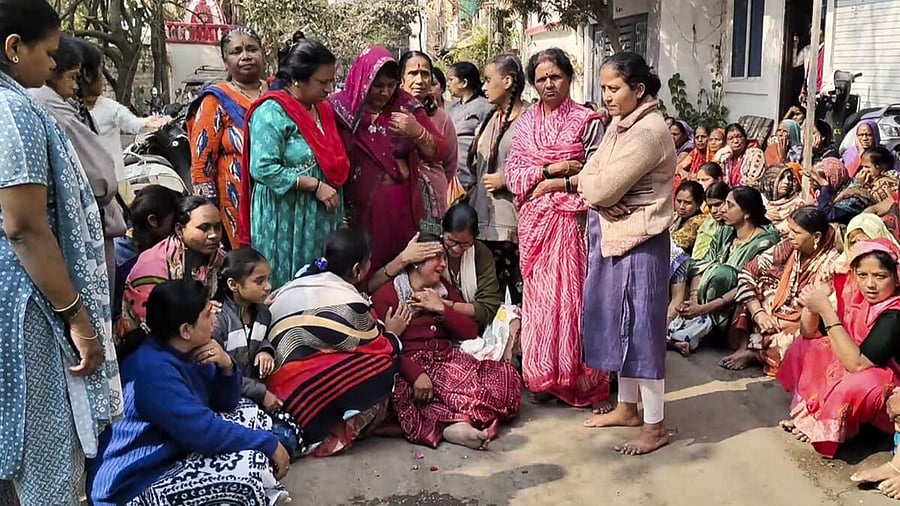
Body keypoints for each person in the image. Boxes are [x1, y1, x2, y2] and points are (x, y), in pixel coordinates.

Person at [0, 2, 122, 502]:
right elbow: (26, 227)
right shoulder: (14, 113)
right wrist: (77, 318)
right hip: (29, 304)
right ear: (13, 48)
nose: (53, 66)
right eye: (49, 54)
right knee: (46, 455)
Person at [87, 280, 291, 505]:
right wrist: (268, 444)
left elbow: (227, 402)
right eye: (207, 314)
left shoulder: (189, 350)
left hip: (170, 451)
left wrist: (227, 365)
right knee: (246, 472)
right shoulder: (153, 372)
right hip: (130, 484)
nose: (214, 318)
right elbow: (204, 433)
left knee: (252, 413)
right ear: (186, 330)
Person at [577, 52, 674, 455]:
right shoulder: (620, 125)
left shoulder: (649, 132)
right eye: (603, 88)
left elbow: (597, 187)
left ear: (638, 90)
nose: (607, 96)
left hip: (642, 242)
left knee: (642, 334)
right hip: (615, 236)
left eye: (613, 88)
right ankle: (627, 407)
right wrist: (598, 197)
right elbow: (588, 176)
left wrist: (598, 194)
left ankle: (655, 428)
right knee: (620, 324)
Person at [505, 47, 609, 408]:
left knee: (574, 299)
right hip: (536, 227)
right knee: (540, 301)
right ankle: (542, 376)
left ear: (569, 78)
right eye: (541, 78)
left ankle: (577, 376)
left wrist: (560, 182)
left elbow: (596, 173)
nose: (549, 84)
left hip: (573, 222)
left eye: (556, 77)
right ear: (532, 83)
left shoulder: (587, 120)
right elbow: (514, 176)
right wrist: (551, 170)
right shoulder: (525, 124)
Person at [372, 235, 522, 449]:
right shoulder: (388, 295)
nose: (443, 264)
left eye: (444, 257)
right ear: (416, 262)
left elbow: (470, 332)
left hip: (447, 358)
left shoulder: (442, 290)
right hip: (410, 365)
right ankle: (456, 426)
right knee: (459, 396)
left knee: (507, 380)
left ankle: (456, 424)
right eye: (437, 258)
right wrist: (415, 373)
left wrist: (443, 309)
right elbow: (380, 345)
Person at [266, 229, 403, 456]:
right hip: (294, 401)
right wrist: (393, 333)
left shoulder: (298, 279)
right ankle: (323, 431)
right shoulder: (352, 304)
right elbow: (381, 347)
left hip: (269, 389)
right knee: (386, 365)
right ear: (358, 270)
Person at [240, 34, 349, 289]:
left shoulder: (322, 109)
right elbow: (263, 168)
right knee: (289, 284)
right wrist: (313, 185)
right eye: (322, 82)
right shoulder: (271, 112)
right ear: (298, 80)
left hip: (320, 216)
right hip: (286, 216)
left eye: (331, 81)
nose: (329, 89)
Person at [776, 238, 900, 459]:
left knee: (861, 382)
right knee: (808, 348)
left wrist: (825, 310)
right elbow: (809, 333)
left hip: (890, 384)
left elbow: (858, 364)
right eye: (862, 275)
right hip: (862, 363)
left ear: (896, 277)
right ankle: (815, 416)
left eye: (880, 276)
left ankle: (845, 429)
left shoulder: (894, 313)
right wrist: (813, 303)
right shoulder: (856, 298)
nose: (870, 284)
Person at [328, 46, 447, 276]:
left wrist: (417, 131)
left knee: (404, 269)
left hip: (401, 208)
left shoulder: (406, 107)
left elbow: (440, 151)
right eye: (377, 86)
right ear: (363, 81)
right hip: (359, 212)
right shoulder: (340, 108)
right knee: (364, 270)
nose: (384, 93)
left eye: (390, 86)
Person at [30, 36, 126, 295]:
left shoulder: (35, 102)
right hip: (77, 229)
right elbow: (100, 179)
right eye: (73, 76)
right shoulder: (49, 106)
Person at [731, 207, 840, 375]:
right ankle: (748, 347)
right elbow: (749, 270)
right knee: (751, 290)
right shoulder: (788, 247)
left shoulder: (831, 263)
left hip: (802, 320)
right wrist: (759, 313)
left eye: (796, 232)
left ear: (816, 237)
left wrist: (782, 322)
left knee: (796, 344)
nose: (790, 236)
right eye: (790, 231)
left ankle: (757, 354)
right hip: (777, 309)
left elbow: (820, 307)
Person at [677, 187, 779, 363]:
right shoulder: (725, 231)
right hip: (707, 299)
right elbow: (701, 265)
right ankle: (697, 324)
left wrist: (702, 309)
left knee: (723, 273)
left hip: (738, 304)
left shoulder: (765, 242)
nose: (722, 209)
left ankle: (711, 330)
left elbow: (747, 285)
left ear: (746, 213)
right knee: (684, 264)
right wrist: (694, 300)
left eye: (729, 205)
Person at [188, 26, 268, 249]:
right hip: (236, 202)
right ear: (225, 61)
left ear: (263, 53)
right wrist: (209, 212)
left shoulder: (280, 92)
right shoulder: (216, 100)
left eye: (252, 49)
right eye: (236, 51)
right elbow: (201, 164)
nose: (245, 56)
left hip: (279, 200)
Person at [118, 196, 226, 355]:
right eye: (204, 228)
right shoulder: (154, 265)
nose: (214, 235)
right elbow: (154, 324)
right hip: (149, 348)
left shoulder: (218, 259)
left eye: (217, 227)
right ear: (179, 230)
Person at [469, 53, 527, 306]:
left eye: (487, 79)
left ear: (507, 81)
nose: (483, 86)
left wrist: (507, 178)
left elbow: (539, 164)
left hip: (512, 226)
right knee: (488, 298)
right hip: (483, 223)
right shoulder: (490, 118)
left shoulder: (530, 119)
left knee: (519, 299)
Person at [213, 247, 278, 411]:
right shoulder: (218, 320)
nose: (268, 286)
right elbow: (217, 374)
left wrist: (265, 350)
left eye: (267, 279)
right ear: (234, 285)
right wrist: (261, 393)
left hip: (253, 396)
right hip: (225, 399)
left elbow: (259, 338)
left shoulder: (263, 314)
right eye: (259, 281)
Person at [399, 51, 457, 220]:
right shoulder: (391, 115)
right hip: (397, 201)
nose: (419, 80)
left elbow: (449, 165)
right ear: (401, 79)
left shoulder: (441, 118)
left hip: (433, 203)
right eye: (412, 73)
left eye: (425, 74)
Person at [114, 184, 182, 321]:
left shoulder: (131, 239)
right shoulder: (126, 262)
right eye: (173, 221)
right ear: (153, 221)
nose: (177, 228)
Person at [447, 61, 493, 191]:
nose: (448, 84)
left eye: (451, 80)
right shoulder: (451, 109)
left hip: (473, 179)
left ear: (464, 83)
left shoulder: (485, 107)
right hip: (453, 178)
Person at [808, 157, 874, 224]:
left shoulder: (853, 198)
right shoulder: (835, 190)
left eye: (816, 180)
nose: (811, 182)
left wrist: (824, 185)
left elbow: (824, 215)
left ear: (831, 180)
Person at [760, 163, 805, 235]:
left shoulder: (798, 204)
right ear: (771, 180)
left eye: (789, 178)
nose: (786, 182)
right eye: (781, 178)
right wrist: (763, 213)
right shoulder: (758, 200)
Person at [693, 181, 730, 260]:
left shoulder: (735, 226)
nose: (713, 210)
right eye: (710, 206)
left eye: (717, 204)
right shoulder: (708, 224)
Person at [719, 123, 766, 187]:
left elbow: (752, 181)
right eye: (731, 138)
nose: (735, 141)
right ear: (726, 142)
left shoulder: (755, 154)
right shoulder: (725, 155)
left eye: (739, 137)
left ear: (745, 138)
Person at [671, 180, 707, 254]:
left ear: (698, 204)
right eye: (679, 201)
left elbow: (675, 242)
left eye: (687, 203)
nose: (681, 207)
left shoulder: (699, 221)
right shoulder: (676, 217)